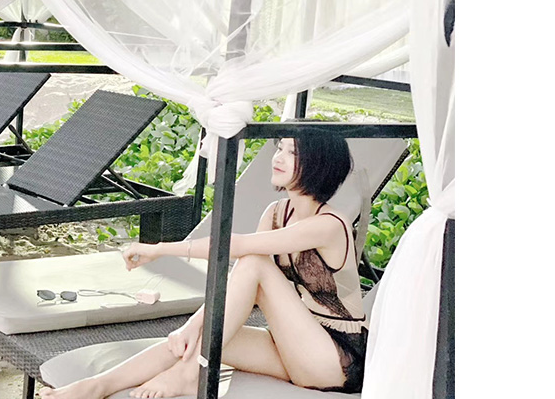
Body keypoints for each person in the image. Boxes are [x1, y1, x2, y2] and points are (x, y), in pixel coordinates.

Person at [40, 136, 368, 399]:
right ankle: (96, 386)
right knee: (196, 341)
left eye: (292, 152)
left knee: (254, 261)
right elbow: (239, 284)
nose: (278, 157)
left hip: (335, 360)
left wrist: (160, 249)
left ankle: (188, 374)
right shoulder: (276, 212)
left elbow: (237, 248)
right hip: (294, 346)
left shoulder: (329, 225)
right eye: (279, 148)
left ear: (319, 164)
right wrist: (191, 326)